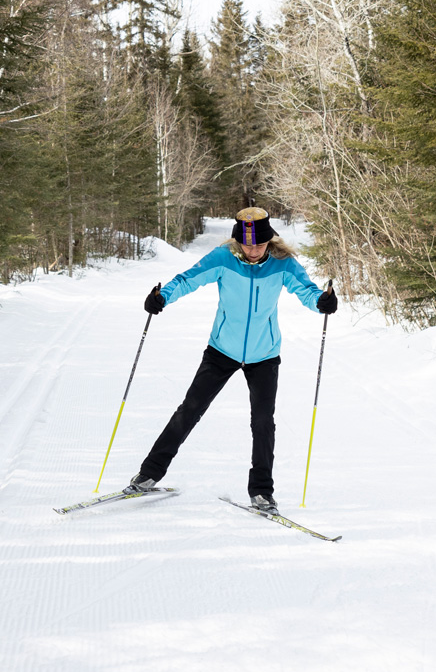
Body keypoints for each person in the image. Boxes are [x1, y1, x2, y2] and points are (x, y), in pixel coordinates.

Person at [124, 207, 338, 511]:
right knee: (190, 410)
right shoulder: (223, 257)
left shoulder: (282, 263)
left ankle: (262, 492)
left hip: (264, 355)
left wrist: (322, 302)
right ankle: (148, 474)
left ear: (269, 239)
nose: (253, 250)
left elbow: (306, 290)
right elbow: (188, 279)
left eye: (259, 244)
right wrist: (163, 296)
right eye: (247, 244)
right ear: (237, 241)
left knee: (263, 422)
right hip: (222, 350)